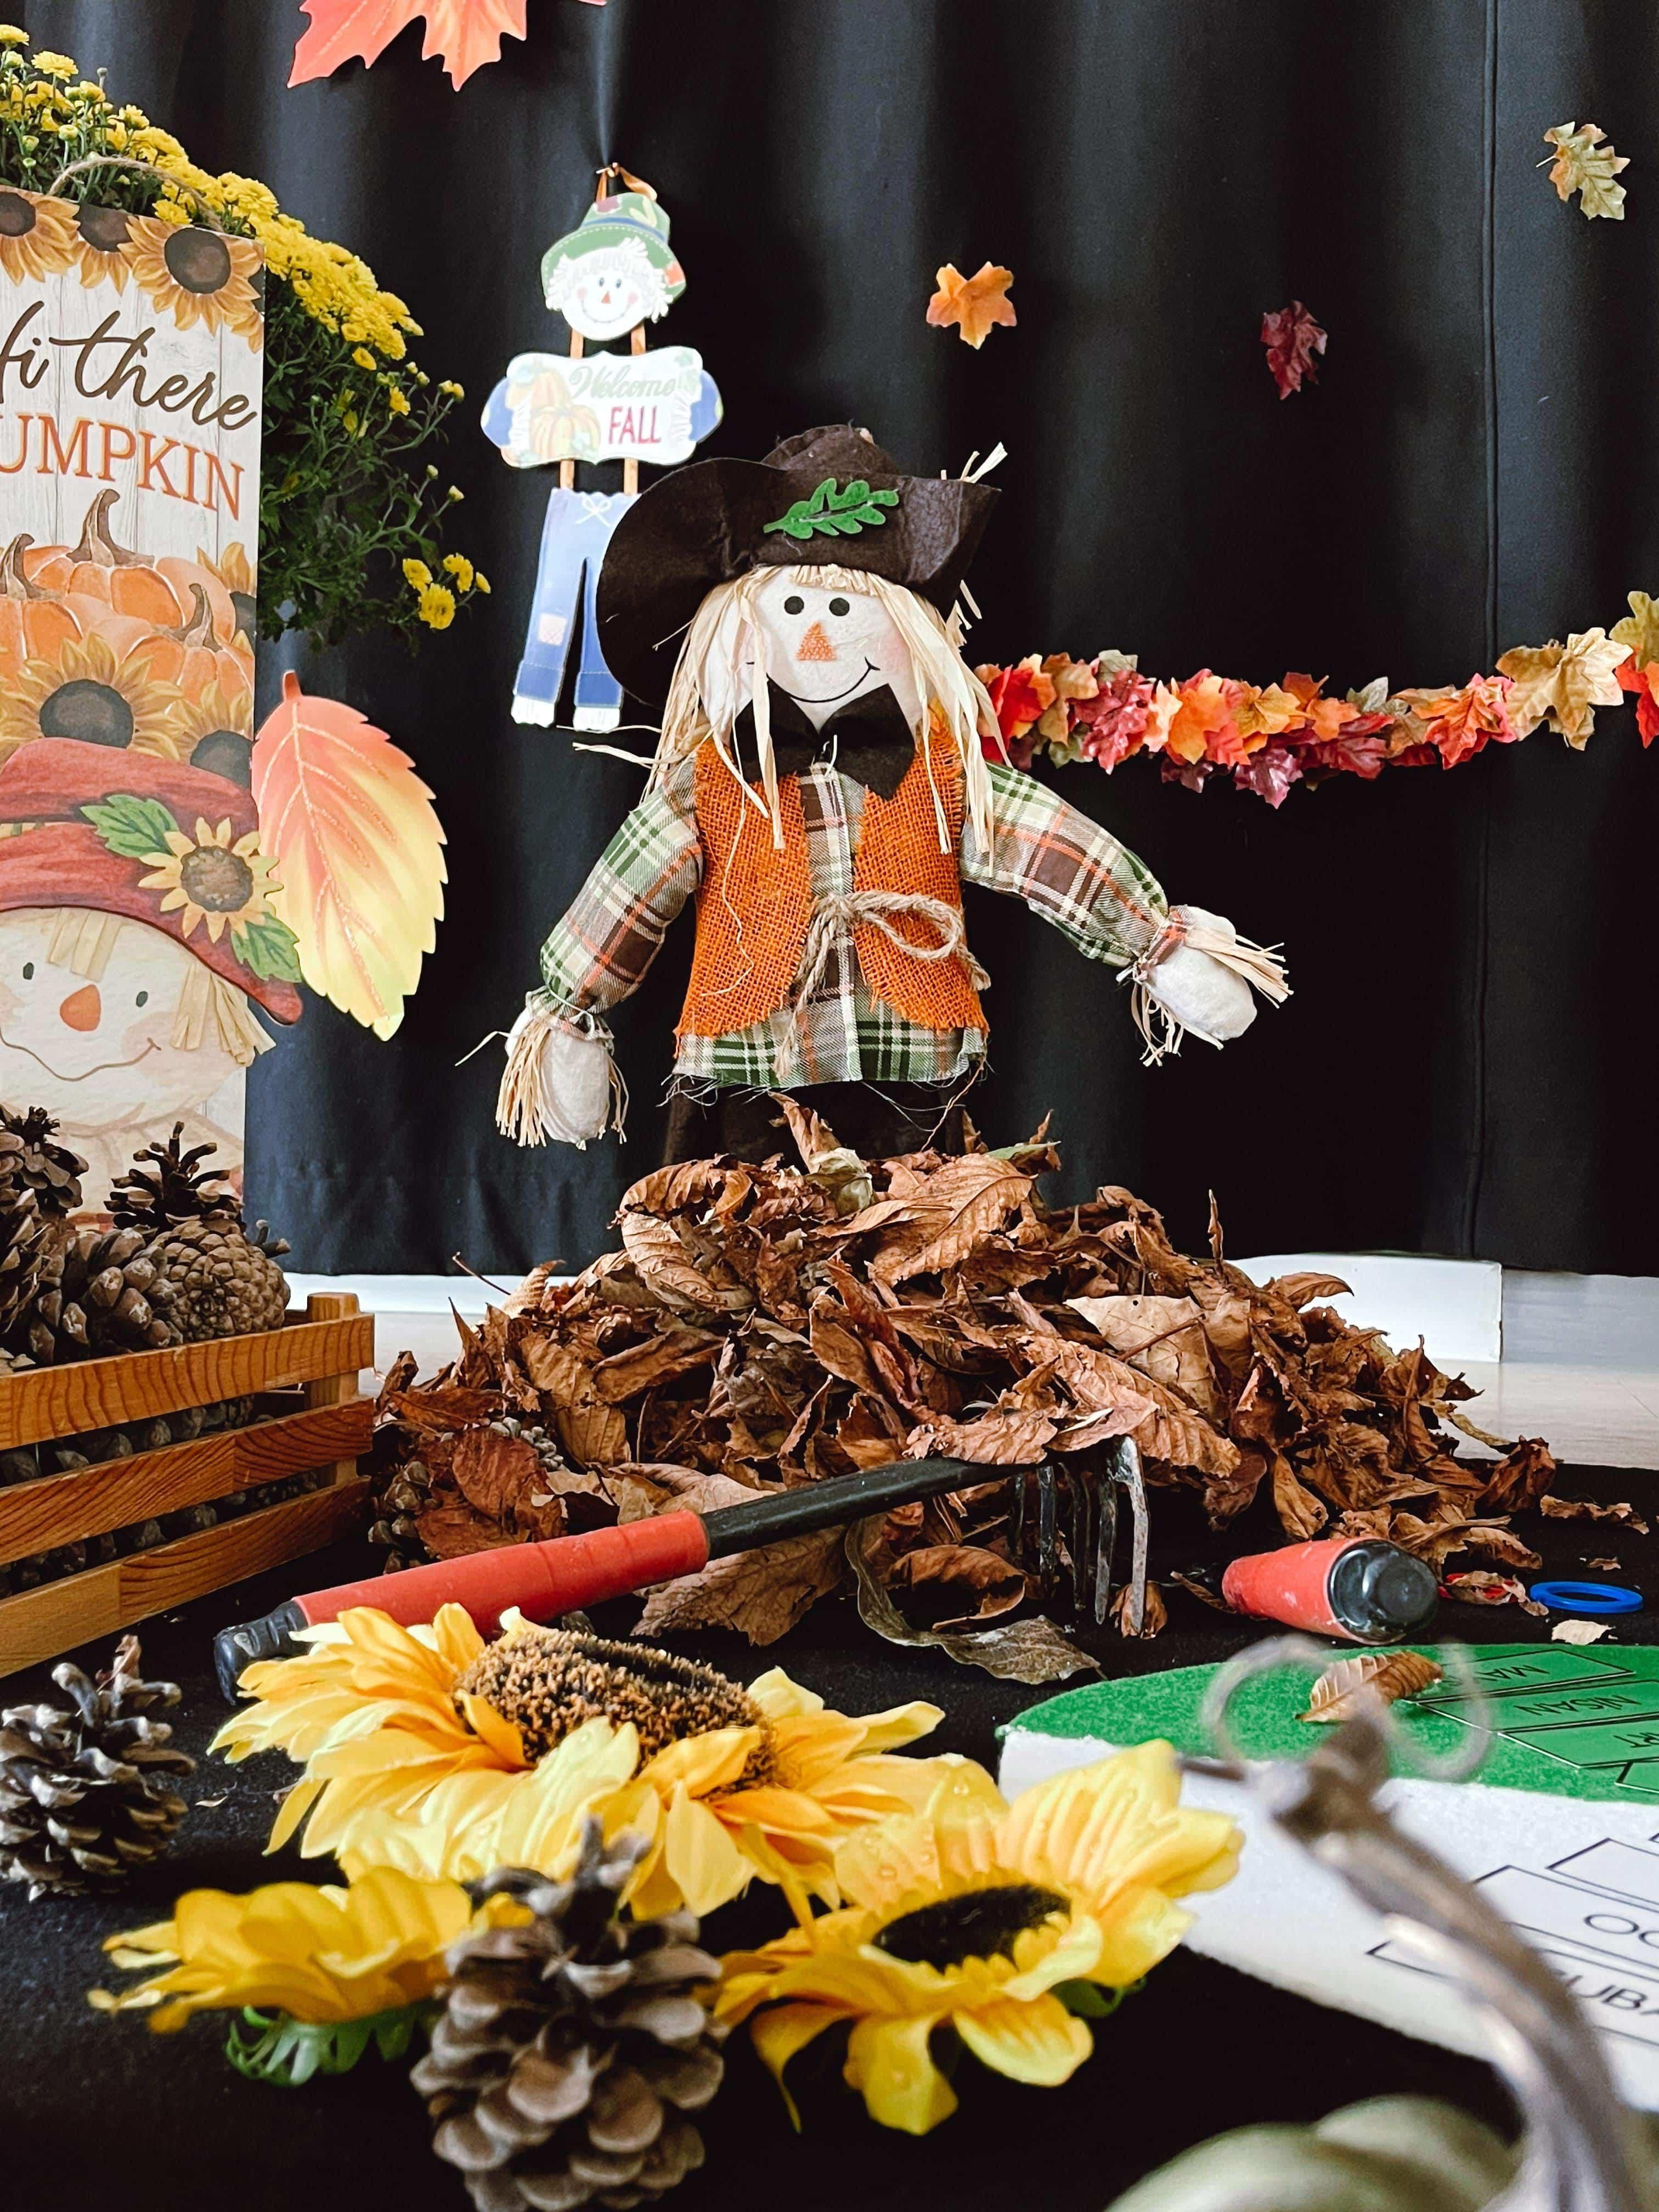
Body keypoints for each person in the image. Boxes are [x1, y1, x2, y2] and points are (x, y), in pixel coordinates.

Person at [498, 425, 1286, 1164]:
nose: (816, 637)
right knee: (728, 1246)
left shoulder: (942, 773)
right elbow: (629, 891)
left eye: (843, 610)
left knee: (917, 1249)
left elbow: (1044, 847)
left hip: (912, 1071)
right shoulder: (710, 781)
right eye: (793, 609)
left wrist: (1152, 937)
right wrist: (569, 1008)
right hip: (745, 1069)